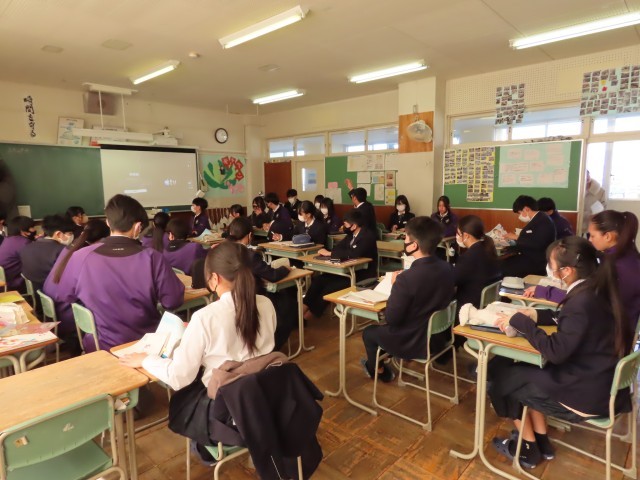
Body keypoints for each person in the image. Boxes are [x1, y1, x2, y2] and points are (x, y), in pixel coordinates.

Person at [119, 241, 277, 457]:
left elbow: (179, 377)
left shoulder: (205, 317)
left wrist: (145, 359)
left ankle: (204, 449)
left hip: (226, 410)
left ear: (215, 278)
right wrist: (194, 332)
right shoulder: (266, 304)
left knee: (182, 402)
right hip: (262, 397)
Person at [489, 236, 632, 469]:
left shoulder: (582, 301)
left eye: (552, 265)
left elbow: (556, 351)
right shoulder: (596, 289)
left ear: (567, 271)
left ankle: (528, 450)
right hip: (598, 380)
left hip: (586, 393)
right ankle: (541, 443)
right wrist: (534, 315)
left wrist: (521, 322)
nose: (550, 270)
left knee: (503, 380)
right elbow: (567, 319)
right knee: (516, 372)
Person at [56, 194, 185, 352]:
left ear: (108, 222)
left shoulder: (80, 257)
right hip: (146, 345)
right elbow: (173, 301)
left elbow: (64, 295)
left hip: (99, 347)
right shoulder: (153, 258)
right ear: (138, 227)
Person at [361, 217, 454, 382]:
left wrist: (394, 286)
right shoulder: (447, 267)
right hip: (437, 337)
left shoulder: (406, 278)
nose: (404, 241)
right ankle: (382, 360)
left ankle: (379, 371)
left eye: (405, 237)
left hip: (413, 340)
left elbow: (392, 319)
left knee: (369, 333)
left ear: (414, 245)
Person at [227, 217, 296, 350]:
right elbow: (273, 276)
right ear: (249, 235)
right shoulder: (250, 255)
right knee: (289, 306)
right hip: (254, 297)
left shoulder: (224, 251)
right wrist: (286, 269)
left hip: (230, 297)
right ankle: (271, 348)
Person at [44, 219, 111, 346]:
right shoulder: (86, 255)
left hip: (57, 309)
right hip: (68, 314)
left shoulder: (70, 249)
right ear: (102, 239)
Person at [303, 210, 378, 321]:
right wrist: (333, 252)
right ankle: (301, 310)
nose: (344, 227)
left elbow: (354, 253)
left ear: (354, 225)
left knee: (329, 288)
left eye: (346, 224)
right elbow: (339, 247)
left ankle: (307, 318)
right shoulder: (351, 234)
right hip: (347, 271)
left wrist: (330, 254)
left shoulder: (367, 236)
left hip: (362, 274)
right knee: (318, 280)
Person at [454, 215, 501, 312]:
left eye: (458, 233)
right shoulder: (489, 250)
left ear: (466, 235)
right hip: (486, 303)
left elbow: (453, 281)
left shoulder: (468, 257)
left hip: (470, 307)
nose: (457, 236)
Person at [20, 214, 76, 295]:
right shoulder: (63, 251)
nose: (72, 237)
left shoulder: (27, 247)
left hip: (35, 294)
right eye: (70, 233)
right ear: (58, 234)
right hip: (55, 295)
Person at [501, 195, 556, 277]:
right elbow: (532, 238)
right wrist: (513, 247)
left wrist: (516, 237)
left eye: (520, 213)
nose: (519, 216)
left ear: (526, 209)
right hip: (532, 257)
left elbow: (538, 243)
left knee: (502, 267)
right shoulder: (539, 218)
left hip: (536, 262)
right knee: (505, 261)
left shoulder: (542, 221)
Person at [0, 215, 36, 291]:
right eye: (32, 227)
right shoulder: (24, 243)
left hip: (4, 281)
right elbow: (34, 264)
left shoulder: (8, 239)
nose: (34, 230)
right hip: (13, 284)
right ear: (23, 231)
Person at [582, 170, 607, 235]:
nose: (587, 177)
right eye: (584, 175)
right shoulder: (577, 189)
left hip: (593, 220)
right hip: (579, 220)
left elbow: (603, 205)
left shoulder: (600, 190)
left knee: (592, 239)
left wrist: (596, 216)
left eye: (588, 175)